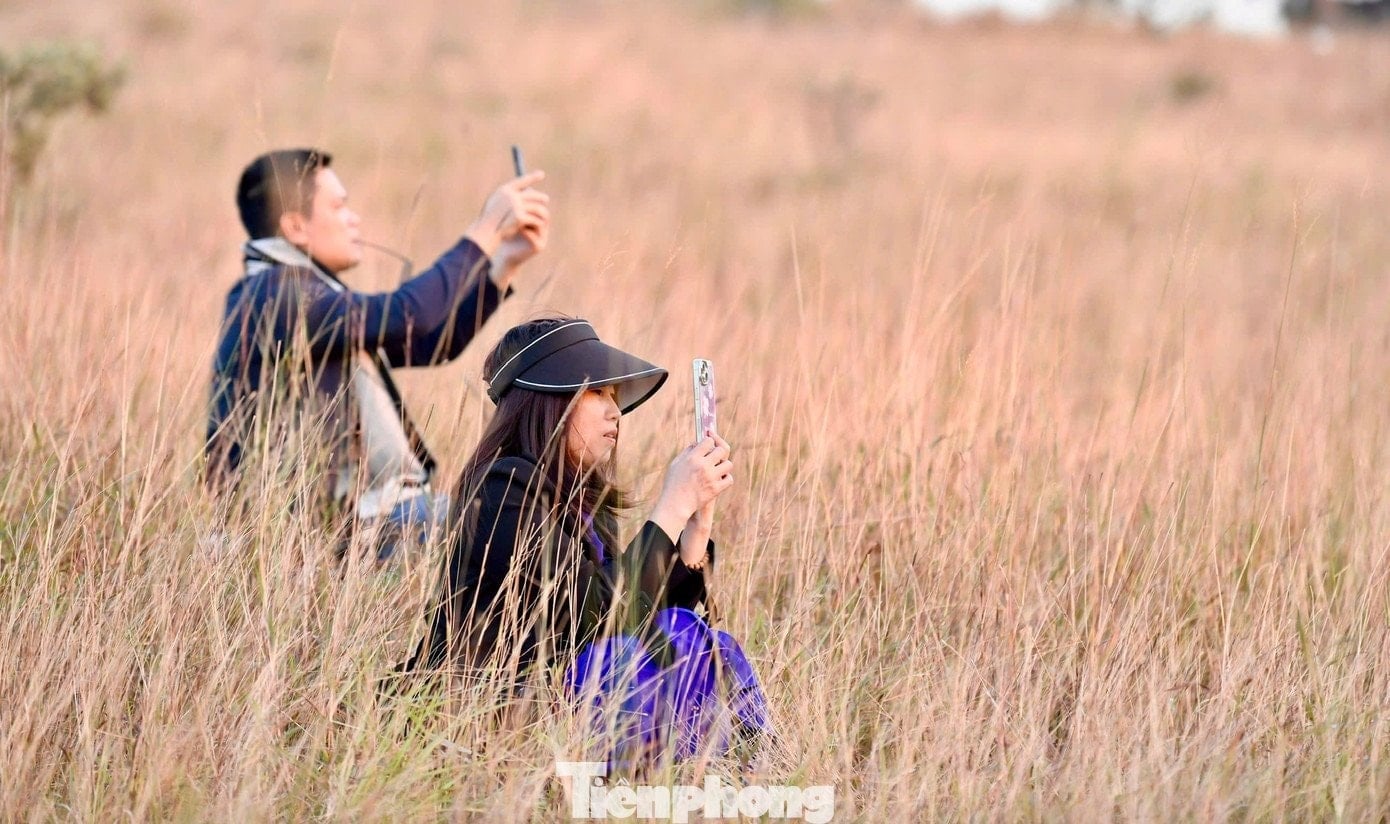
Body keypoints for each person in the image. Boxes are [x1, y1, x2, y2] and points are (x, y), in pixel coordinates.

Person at [405, 316, 771, 767]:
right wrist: (670, 510)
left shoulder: (582, 503)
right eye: (597, 392)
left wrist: (694, 530)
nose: (614, 411)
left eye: (614, 395)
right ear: (547, 400)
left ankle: (744, 775)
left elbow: (637, 620)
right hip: (489, 725)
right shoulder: (501, 489)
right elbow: (590, 621)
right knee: (654, 651)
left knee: (707, 644)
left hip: (561, 714)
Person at [204, 148, 550, 560]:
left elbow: (428, 343)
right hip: (335, 532)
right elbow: (412, 314)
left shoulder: (294, 293)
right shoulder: (275, 296)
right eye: (339, 206)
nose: (354, 218)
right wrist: (487, 228)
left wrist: (502, 263)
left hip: (359, 521)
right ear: (295, 226)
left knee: (529, 520)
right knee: (524, 525)